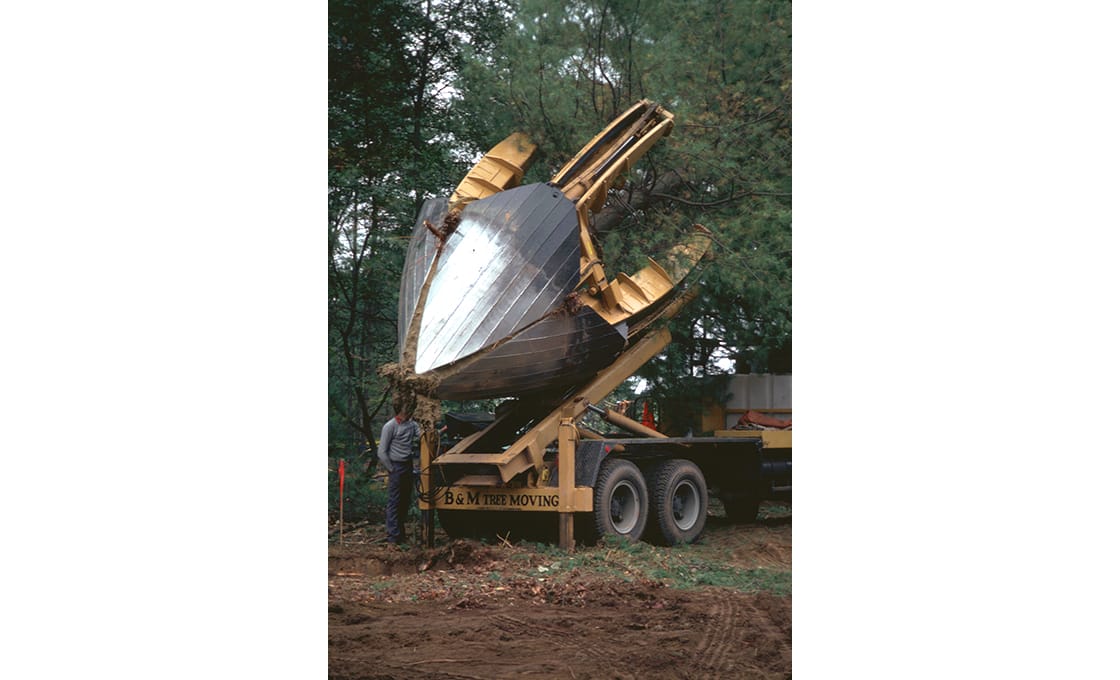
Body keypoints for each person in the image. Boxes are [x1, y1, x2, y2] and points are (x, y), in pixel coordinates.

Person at [377, 401, 420, 545]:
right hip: (396, 466)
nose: (409, 412)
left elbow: (423, 436)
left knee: (405, 501)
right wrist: (391, 468)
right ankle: (392, 537)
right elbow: (382, 451)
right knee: (394, 501)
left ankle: (400, 535)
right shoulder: (390, 426)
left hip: (407, 465)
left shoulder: (412, 425)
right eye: (406, 409)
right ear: (400, 409)